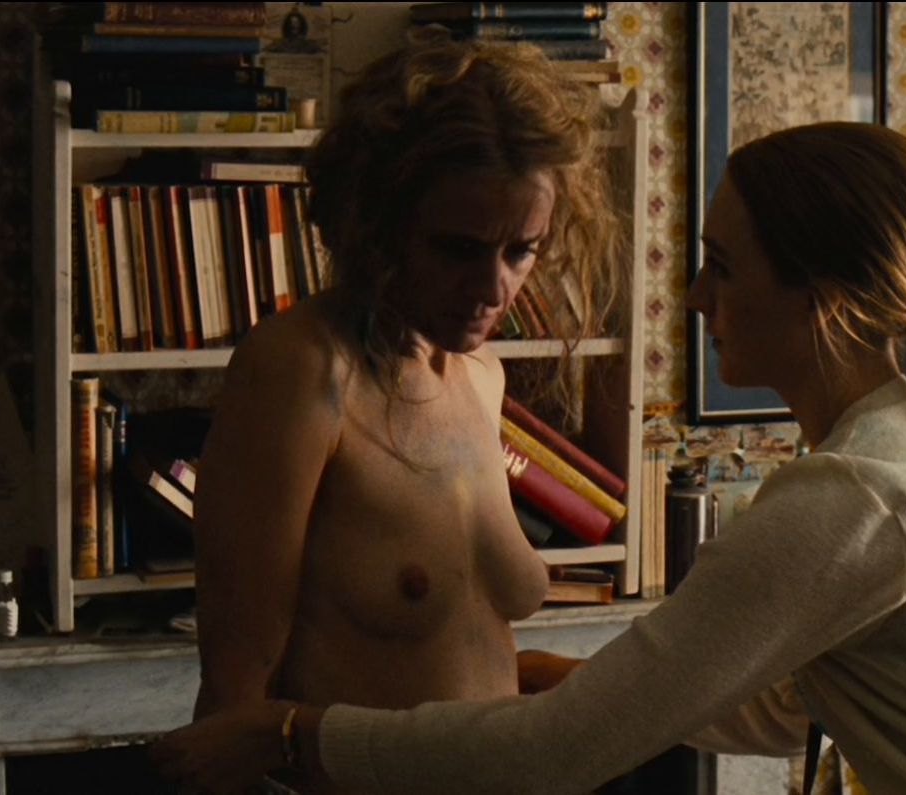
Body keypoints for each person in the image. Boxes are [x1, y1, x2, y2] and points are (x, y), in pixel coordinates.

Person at [157, 122, 906, 795]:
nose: (695, 299)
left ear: (821, 302)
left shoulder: (859, 495)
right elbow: (795, 705)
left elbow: (555, 756)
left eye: (721, 268)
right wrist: (588, 682)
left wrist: (289, 736)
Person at [184, 33, 617, 794]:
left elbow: (441, 655)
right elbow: (233, 708)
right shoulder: (301, 371)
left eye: (521, 250)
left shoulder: (482, 376)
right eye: (458, 248)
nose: (494, 289)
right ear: (378, 225)